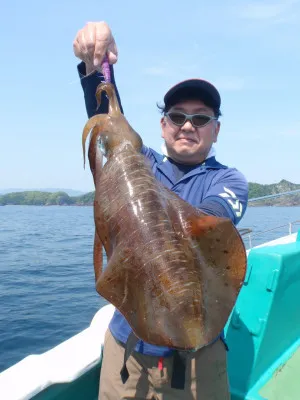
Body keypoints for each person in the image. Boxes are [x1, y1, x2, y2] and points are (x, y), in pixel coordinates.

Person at [73, 21, 248, 400]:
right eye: (176, 117)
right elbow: (111, 133)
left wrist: (135, 183)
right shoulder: (139, 162)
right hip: (127, 354)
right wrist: (96, 68)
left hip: (198, 363)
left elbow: (205, 223)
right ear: (162, 125)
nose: (187, 126)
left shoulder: (229, 181)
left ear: (216, 130)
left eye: (200, 118)